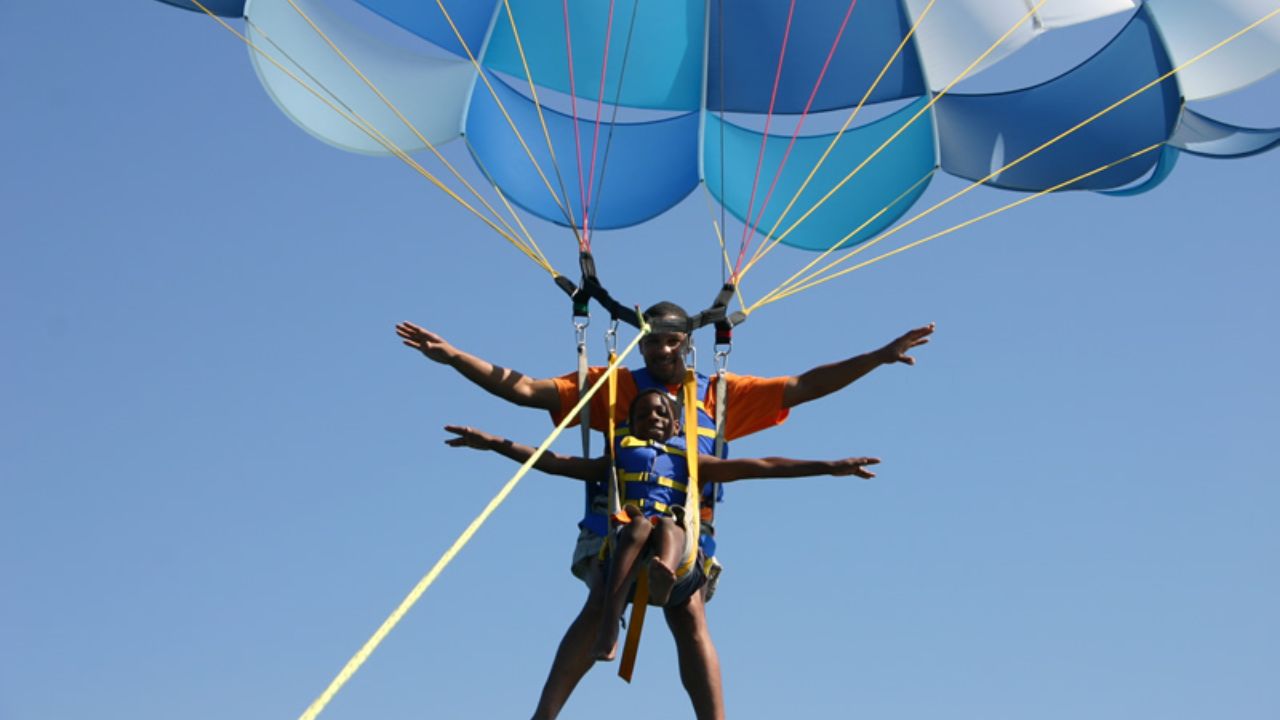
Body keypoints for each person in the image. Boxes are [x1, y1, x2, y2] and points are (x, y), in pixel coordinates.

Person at [396, 305, 932, 720]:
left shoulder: (717, 396)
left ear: (686, 343)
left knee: (690, 615)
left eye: (669, 340)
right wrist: (456, 357)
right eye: (649, 339)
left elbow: (802, 391)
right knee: (606, 591)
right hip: (615, 528)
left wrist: (877, 357)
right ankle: (546, 713)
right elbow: (530, 393)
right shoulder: (614, 388)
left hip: (684, 538)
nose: (658, 348)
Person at [442, 388, 880, 661]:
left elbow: (761, 465)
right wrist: (494, 443)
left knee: (670, 531)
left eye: (660, 413)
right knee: (636, 529)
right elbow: (556, 462)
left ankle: (664, 576)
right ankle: (610, 624)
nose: (651, 417)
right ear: (628, 425)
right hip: (625, 535)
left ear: (675, 426)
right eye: (642, 413)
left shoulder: (692, 460)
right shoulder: (616, 456)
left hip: (676, 543)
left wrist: (829, 466)